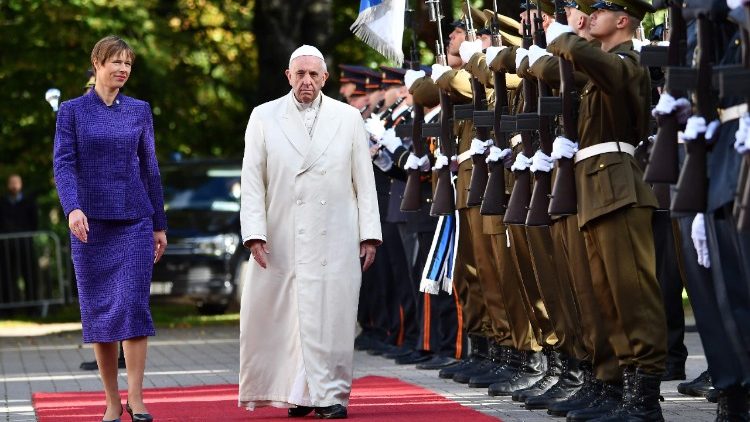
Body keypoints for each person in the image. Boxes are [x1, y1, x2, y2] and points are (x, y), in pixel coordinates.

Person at [238, 44, 381, 420]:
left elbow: (363, 182)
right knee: (290, 318)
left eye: (313, 74)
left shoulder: (348, 117)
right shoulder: (264, 116)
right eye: (299, 74)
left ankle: (331, 394)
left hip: (335, 233)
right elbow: (252, 180)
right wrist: (254, 232)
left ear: (324, 78)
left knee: (333, 315)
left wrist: (369, 235)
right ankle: (297, 393)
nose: (306, 81)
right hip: (282, 232)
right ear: (288, 76)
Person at [53, 35, 167, 422]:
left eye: (128, 64)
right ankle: (112, 401)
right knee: (100, 314)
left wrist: (159, 224)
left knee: (133, 305)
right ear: (97, 63)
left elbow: (150, 167)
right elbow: (63, 165)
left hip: (135, 219)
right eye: (116, 62)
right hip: (90, 227)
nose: (122, 70)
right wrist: (72, 209)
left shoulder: (139, 110)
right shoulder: (71, 112)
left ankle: (136, 399)